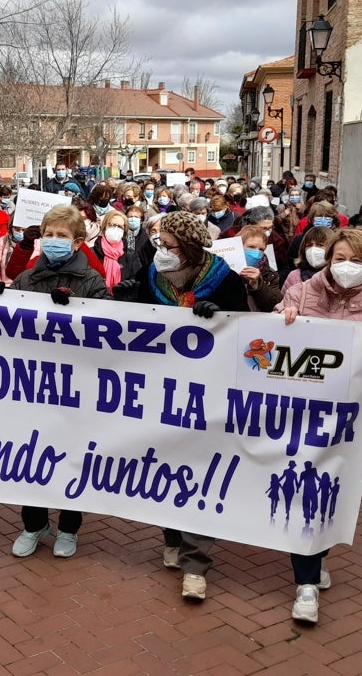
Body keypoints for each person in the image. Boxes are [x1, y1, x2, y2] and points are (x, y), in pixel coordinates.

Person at [114, 212, 275, 601]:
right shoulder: (154, 277)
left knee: (198, 471)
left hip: (208, 394)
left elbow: (243, 330)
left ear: (188, 247)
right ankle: (171, 538)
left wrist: (218, 315)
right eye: (158, 244)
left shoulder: (225, 280)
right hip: (162, 389)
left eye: (168, 245)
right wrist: (125, 298)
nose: (161, 252)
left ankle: (196, 563)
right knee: (164, 467)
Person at [276, 227, 362, 624]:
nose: (346, 267)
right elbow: (269, 354)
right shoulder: (301, 294)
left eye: (356, 260)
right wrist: (279, 322)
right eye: (340, 259)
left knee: (330, 496)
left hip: (353, 425)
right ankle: (304, 583)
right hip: (300, 418)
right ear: (327, 260)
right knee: (305, 492)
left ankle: (317, 555)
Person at [0, 205, 108, 559]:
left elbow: (105, 330)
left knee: (72, 458)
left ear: (76, 243)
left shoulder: (92, 281)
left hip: (75, 388)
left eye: (61, 236)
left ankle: (69, 528)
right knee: (29, 457)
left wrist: (75, 310)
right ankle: (33, 524)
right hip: (33, 387)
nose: (53, 241)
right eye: (49, 235)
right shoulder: (27, 280)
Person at [92, 209, 145, 295]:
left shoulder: (131, 256)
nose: (115, 228)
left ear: (124, 231)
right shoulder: (92, 253)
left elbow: (138, 281)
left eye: (120, 226)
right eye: (112, 225)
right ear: (104, 227)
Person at [282, 226, 335, 293]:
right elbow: (284, 301)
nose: (313, 249)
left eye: (320, 245)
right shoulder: (294, 276)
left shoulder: (337, 276)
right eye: (309, 245)